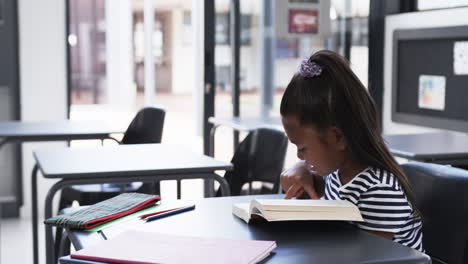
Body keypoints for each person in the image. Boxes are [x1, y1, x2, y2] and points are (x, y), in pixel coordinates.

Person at [279, 50, 423, 252]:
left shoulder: (379, 190)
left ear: (337, 138)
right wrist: (301, 169)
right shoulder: (335, 174)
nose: (300, 156)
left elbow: (368, 258)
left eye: (303, 149)